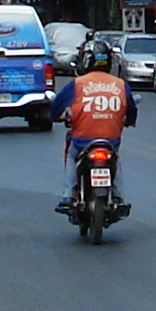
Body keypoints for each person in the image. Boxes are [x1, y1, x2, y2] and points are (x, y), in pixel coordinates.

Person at [50, 45, 137, 214]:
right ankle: (119, 198)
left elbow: (57, 105)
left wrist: (54, 117)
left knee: (72, 157)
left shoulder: (77, 84)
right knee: (115, 161)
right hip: (111, 140)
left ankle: (67, 196)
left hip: (82, 140)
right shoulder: (120, 84)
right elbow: (132, 109)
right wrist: (130, 121)